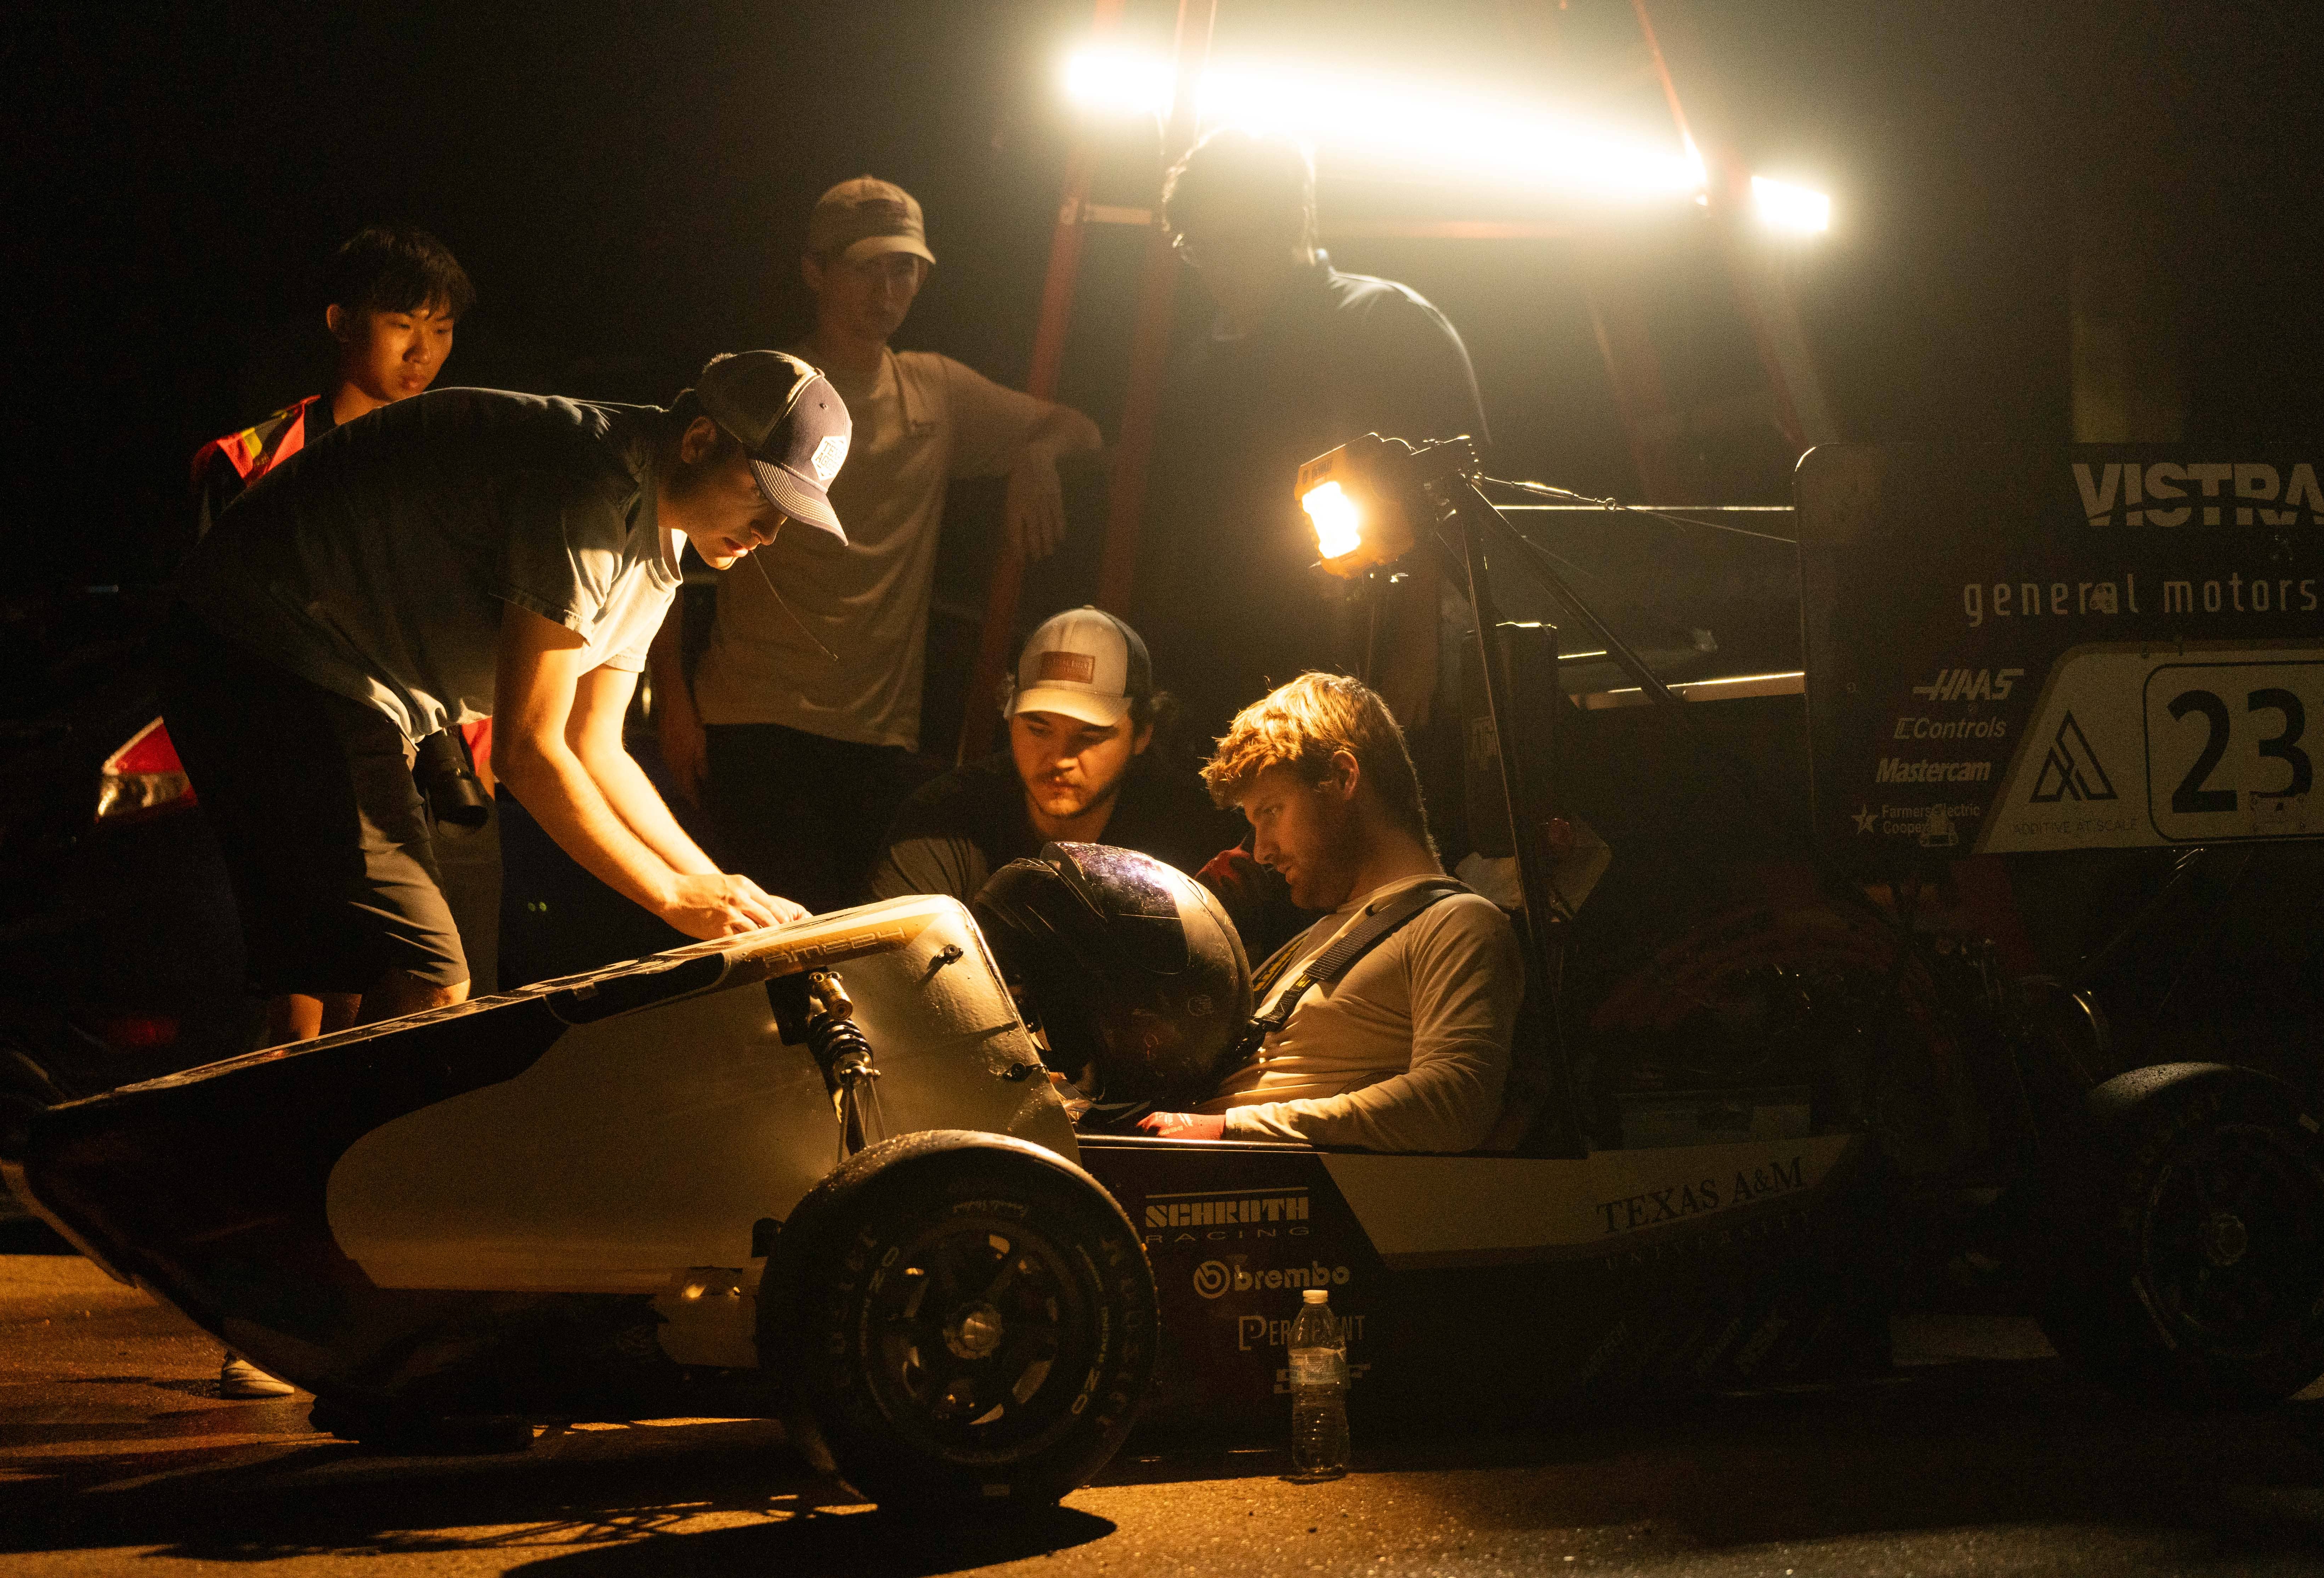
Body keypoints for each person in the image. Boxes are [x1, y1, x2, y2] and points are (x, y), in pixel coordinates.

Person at [167, 350, 848, 1050]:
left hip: (345, 686)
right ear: (700, 440)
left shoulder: (662, 543)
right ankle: (351, 1156)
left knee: (341, 984)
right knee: (427, 970)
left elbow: (596, 745)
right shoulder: (591, 482)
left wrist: (719, 886)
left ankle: (300, 1147)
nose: (769, 532)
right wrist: (673, 898)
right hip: (262, 643)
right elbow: (529, 750)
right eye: (764, 496)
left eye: (790, 513)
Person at [651, 176, 1104, 912]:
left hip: (878, 734)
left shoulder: (935, 390)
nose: (887, 286)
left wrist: (1036, 457)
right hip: (755, 716)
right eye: (866, 265)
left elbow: (1079, 429)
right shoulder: (772, 387)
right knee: (781, 939)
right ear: (814, 270)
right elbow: (667, 535)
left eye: (905, 268)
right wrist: (674, 698)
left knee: (860, 944)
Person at [1137, 128, 1489, 758]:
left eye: (1237, 243)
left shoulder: (1383, 322)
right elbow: (1178, 530)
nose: (1218, 268)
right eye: (1199, 248)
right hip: (1229, 668)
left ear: (1294, 222)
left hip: (1360, 661)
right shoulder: (1192, 373)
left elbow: (1453, 495)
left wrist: (1418, 649)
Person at [1137, 672, 1522, 1152]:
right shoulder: (1318, 936)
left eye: (1271, 812)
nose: (1260, 851)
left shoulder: (1458, 922)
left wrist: (1228, 1128)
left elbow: (1456, 1103)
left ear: (1342, 778)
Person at [867, 606, 1240, 904]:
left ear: (1142, 734)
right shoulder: (941, 818)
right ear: (1010, 716)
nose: (1060, 756)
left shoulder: (1190, 836)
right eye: (1038, 728)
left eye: (1090, 734)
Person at [192, 224, 475, 542]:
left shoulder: (460, 459)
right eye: (402, 324)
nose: (422, 353)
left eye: (441, 330)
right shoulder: (252, 460)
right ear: (341, 323)